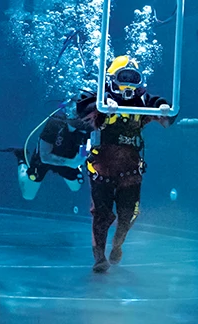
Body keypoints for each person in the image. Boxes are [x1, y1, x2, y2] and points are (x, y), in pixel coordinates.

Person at [74, 55, 174, 272]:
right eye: (123, 77)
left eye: (133, 78)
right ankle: (99, 257)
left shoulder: (142, 101)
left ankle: (117, 244)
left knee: (129, 214)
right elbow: (82, 107)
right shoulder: (101, 97)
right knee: (102, 215)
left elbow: (161, 107)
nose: (128, 85)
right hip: (101, 169)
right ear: (112, 78)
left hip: (130, 171)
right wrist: (102, 105)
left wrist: (163, 107)